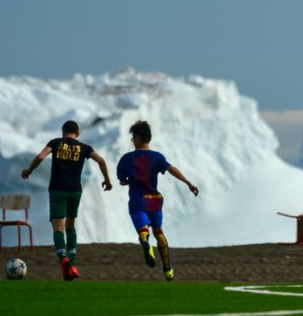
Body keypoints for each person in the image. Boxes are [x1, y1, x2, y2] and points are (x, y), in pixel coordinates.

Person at [21, 120, 112, 281]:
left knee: (58, 228)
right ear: (77, 134)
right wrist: (107, 180)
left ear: (63, 132)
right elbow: (101, 161)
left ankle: (63, 260)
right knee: (70, 225)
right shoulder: (84, 148)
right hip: (75, 191)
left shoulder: (55, 143)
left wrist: (29, 170)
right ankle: (73, 264)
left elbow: (42, 156)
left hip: (57, 189)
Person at [116, 120, 199, 281]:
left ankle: (145, 243)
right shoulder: (157, 157)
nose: (133, 141)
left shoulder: (127, 159)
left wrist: (127, 181)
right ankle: (167, 268)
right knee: (159, 232)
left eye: (133, 138)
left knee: (143, 229)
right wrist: (189, 183)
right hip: (155, 200)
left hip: (138, 200)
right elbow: (171, 169)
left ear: (138, 138)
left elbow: (122, 180)